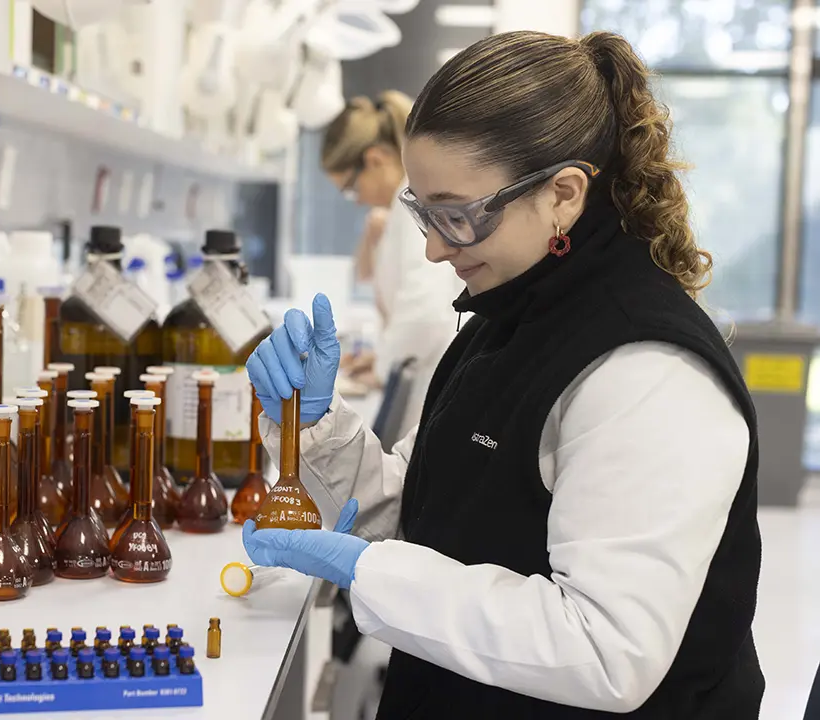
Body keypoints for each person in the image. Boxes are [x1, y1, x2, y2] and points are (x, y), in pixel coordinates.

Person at [244, 30, 763, 718]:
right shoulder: (510, 315)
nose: (433, 249)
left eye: (457, 216)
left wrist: (366, 570)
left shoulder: (645, 370)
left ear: (564, 193)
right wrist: (314, 427)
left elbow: (606, 649)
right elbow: (432, 510)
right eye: (423, 213)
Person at [321, 91, 463, 431]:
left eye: (351, 188)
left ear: (375, 159)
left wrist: (384, 367)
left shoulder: (413, 202)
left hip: (431, 380)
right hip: (424, 374)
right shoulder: (402, 208)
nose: (357, 201)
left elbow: (426, 309)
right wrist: (382, 357)